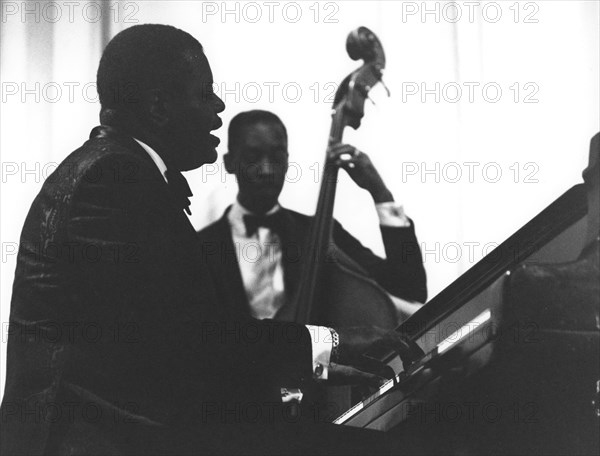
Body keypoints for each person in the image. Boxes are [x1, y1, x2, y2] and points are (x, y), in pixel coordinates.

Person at [0, 25, 421, 455]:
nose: (219, 107)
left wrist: (319, 362)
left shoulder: (121, 171)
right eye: (205, 93)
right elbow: (191, 343)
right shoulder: (114, 178)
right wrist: (330, 342)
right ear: (160, 106)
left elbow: (169, 345)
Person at [197, 110, 427, 325]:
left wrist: (380, 193)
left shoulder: (321, 232)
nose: (267, 170)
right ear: (229, 163)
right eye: (252, 157)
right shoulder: (200, 247)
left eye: (277, 157)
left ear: (287, 160)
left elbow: (408, 289)